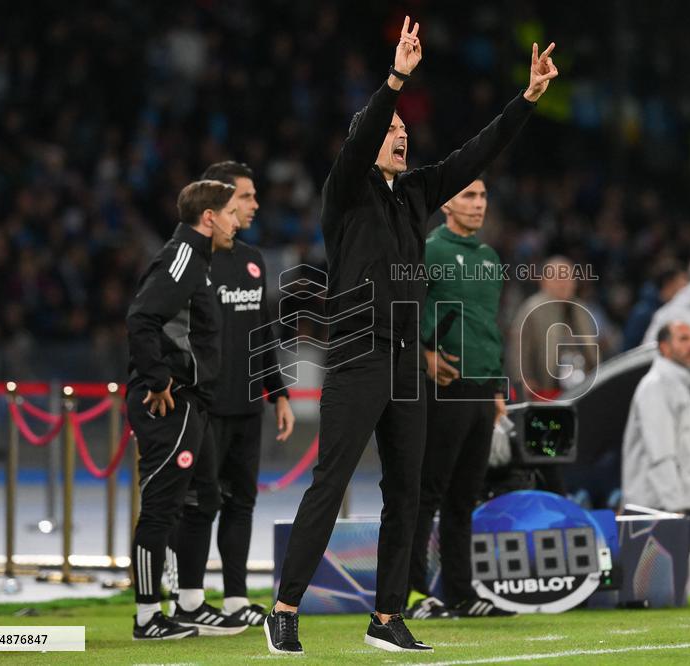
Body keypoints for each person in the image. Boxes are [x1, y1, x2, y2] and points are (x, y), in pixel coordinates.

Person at [265, 17, 558, 655]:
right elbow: (369, 126)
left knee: (406, 491)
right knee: (332, 480)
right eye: (391, 132)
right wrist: (396, 79)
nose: (400, 138)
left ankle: (387, 616)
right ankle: (284, 607)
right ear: (367, 142)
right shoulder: (344, 191)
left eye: (404, 133)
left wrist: (527, 99)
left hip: (405, 364)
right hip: (355, 351)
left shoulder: (417, 194)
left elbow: (476, 153)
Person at [169, 162, 296, 633]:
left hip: (246, 405)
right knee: (200, 504)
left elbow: (262, 333)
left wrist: (277, 393)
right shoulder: (190, 260)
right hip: (204, 406)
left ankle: (237, 598)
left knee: (242, 502)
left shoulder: (252, 259)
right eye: (245, 196)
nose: (254, 205)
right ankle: (190, 600)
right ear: (217, 205)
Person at [125, 180, 239, 640]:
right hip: (170, 402)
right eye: (230, 212)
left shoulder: (199, 261)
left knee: (203, 500)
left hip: (194, 403)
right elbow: (140, 318)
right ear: (208, 217)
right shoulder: (184, 258)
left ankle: (189, 602)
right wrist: (157, 379)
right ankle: (147, 616)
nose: (236, 222)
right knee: (160, 508)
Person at [405, 178, 514, 620]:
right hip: (443, 386)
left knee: (464, 497)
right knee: (426, 492)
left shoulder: (489, 259)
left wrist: (498, 388)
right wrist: (424, 356)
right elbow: (402, 311)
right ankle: (412, 594)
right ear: (446, 201)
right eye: (469, 195)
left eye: (484, 196)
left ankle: (461, 594)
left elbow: (489, 329)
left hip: (481, 389)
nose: (478, 204)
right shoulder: (428, 250)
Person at [621, 321, 690, 513]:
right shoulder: (656, 386)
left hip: (666, 507)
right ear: (664, 348)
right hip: (655, 510)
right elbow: (660, 454)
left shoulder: (676, 386)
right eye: (683, 339)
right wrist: (675, 506)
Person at [508, 256, 598, 402]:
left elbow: (592, 349)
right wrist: (523, 379)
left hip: (580, 382)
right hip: (544, 387)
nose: (564, 284)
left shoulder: (581, 309)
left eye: (568, 278)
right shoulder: (531, 309)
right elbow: (519, 349)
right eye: (558, 279)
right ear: (544, 282)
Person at [623, 261, 687, 351]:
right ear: (670, 283)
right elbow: (629, 349)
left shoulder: (675, 310)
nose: (686, 289)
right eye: (682, 284)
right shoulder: (643, 312)